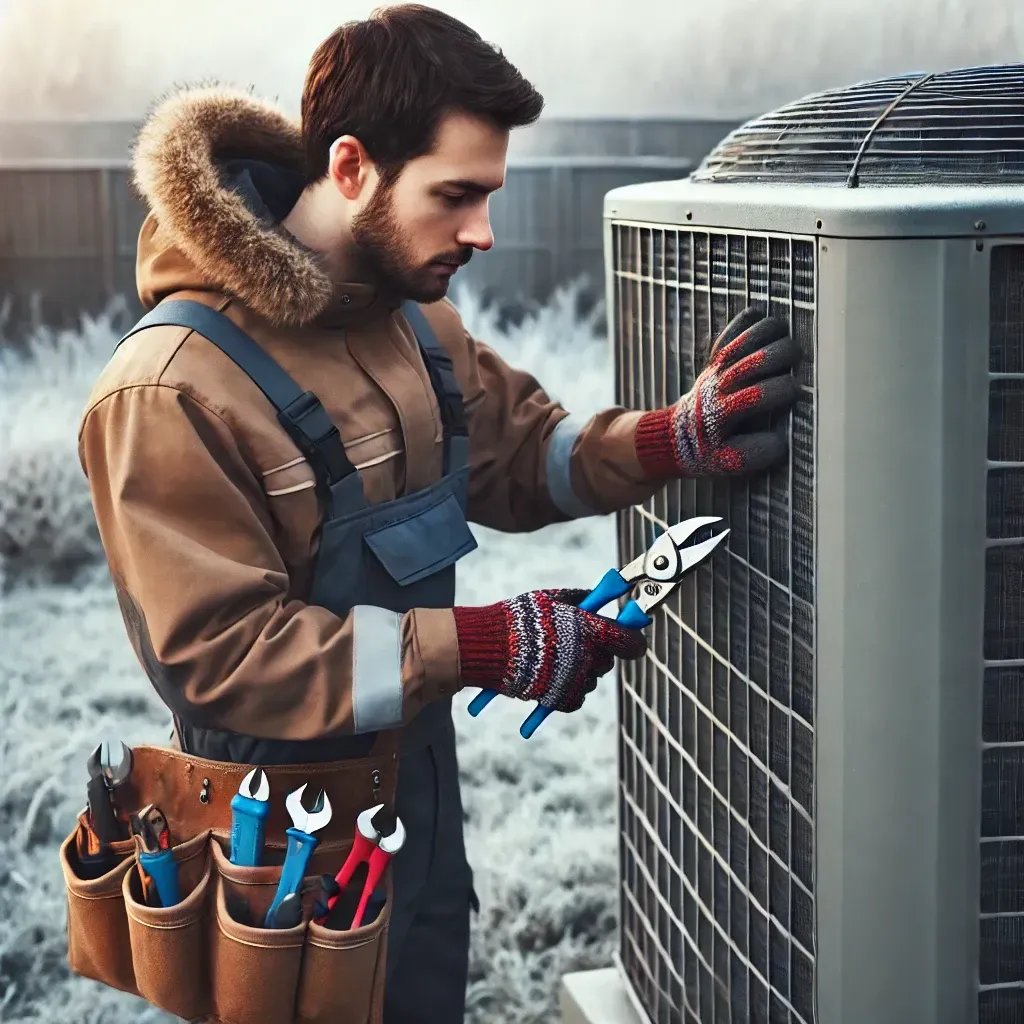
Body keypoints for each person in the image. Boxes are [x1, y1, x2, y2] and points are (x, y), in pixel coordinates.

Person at [77, 5, 801, 1021]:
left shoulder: (418, 325)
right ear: (349, 167)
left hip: (413, 784)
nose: (483, 232)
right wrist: (483, 643)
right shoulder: (170, 388)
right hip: (272, 827)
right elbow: (223, 654)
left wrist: (666, 440)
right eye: (455, 195)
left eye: (489, 195)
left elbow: (524, 456)